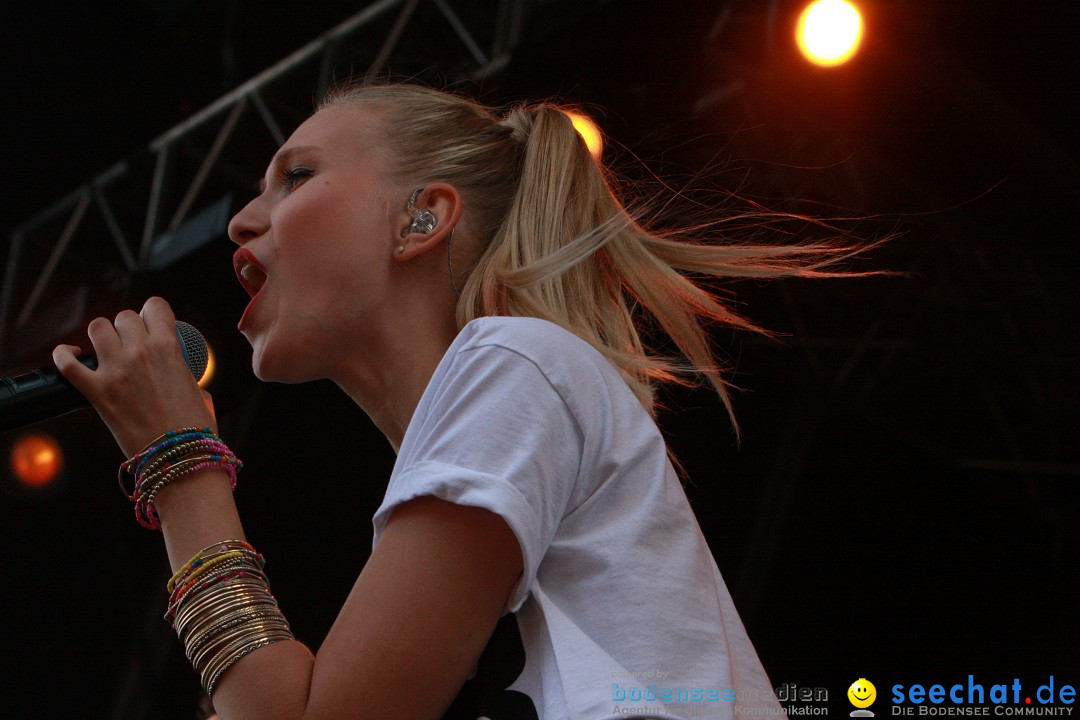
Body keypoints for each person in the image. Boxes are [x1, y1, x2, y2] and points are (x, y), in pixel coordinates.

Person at [53, 83, 856, 720]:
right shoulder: (489, 420)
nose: (242, 221)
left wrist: (178, 460)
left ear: (422, 218)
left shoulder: (514, 360)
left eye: (297, 176)